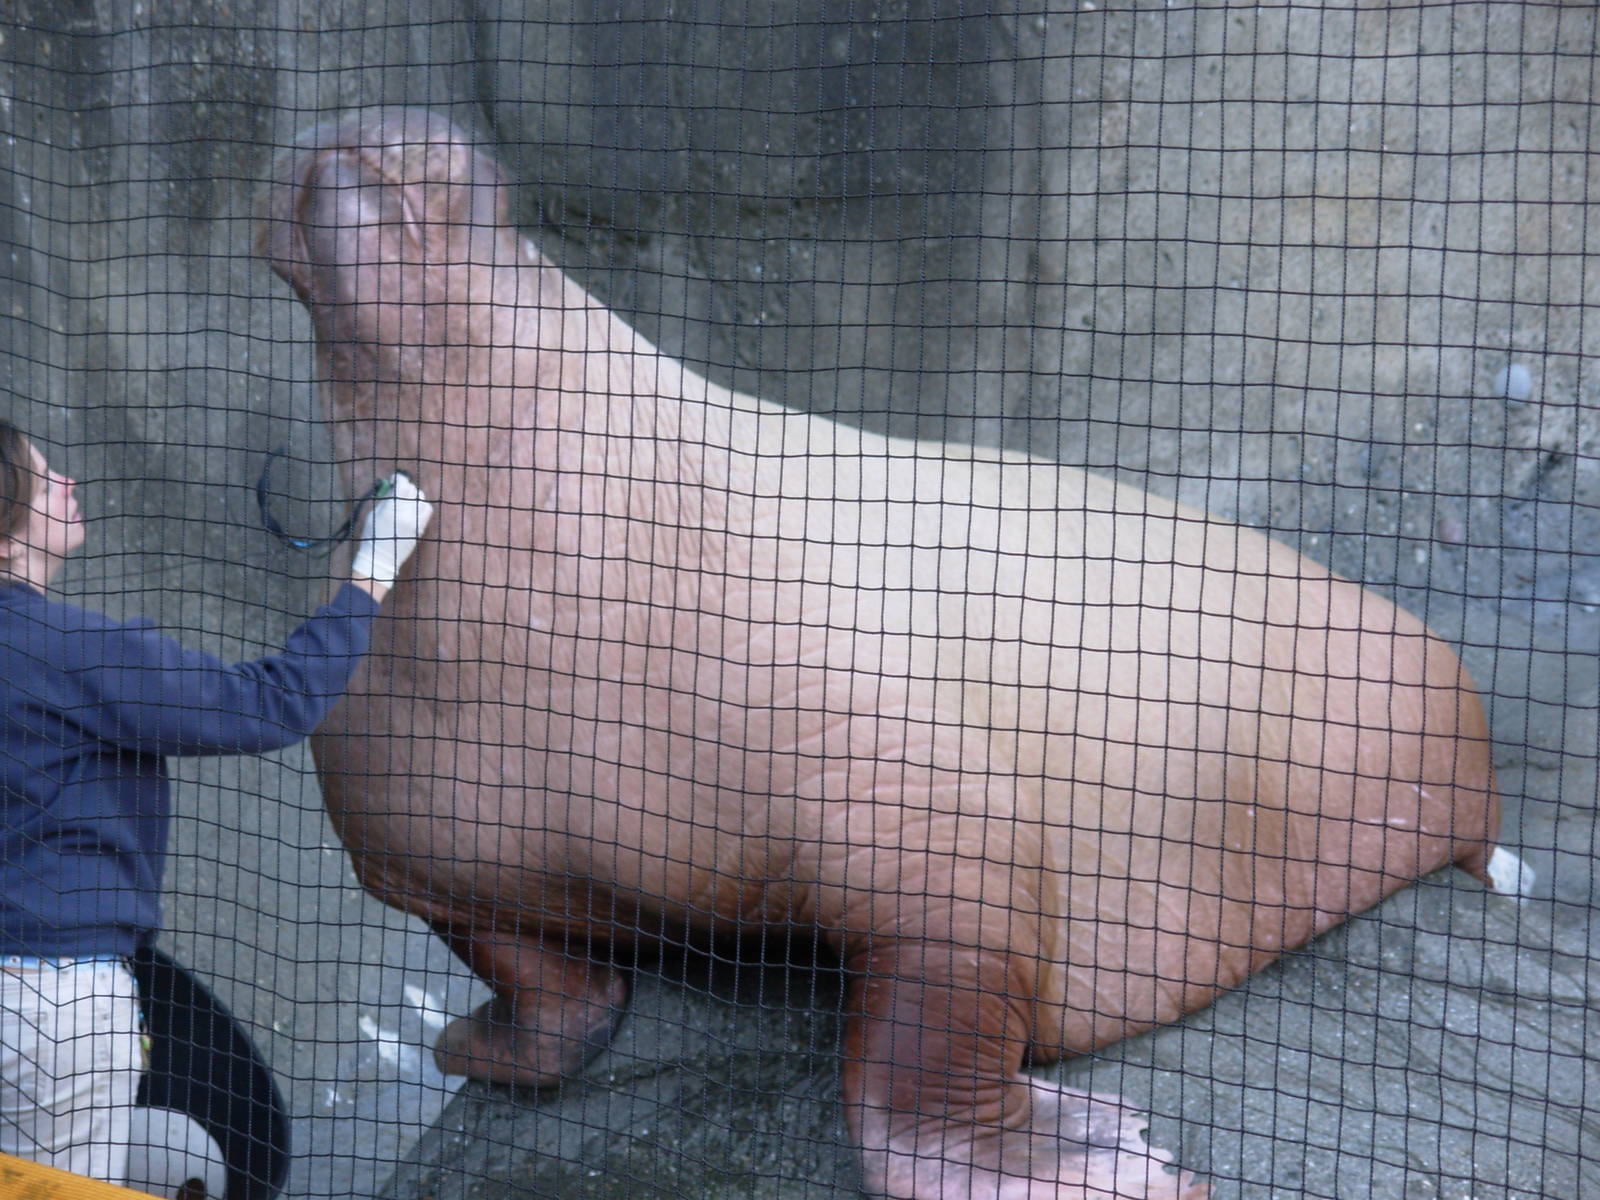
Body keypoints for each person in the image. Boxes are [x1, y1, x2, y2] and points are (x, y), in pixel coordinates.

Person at [0, 417, 433, 1190]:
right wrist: (372, 572)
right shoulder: (66, 650)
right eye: (42, 479)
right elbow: (269, 704)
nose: (67, 482)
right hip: (55, 1005)